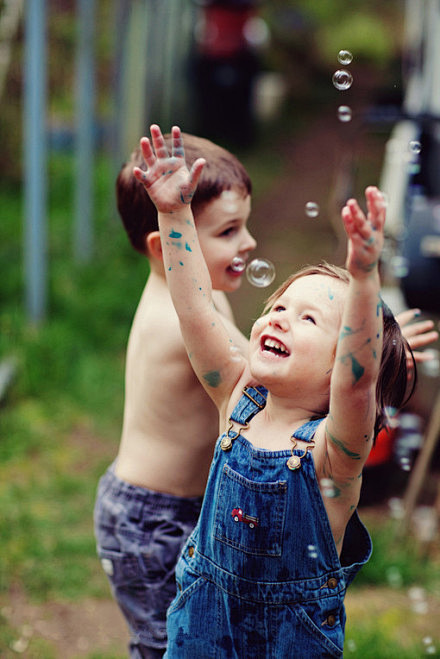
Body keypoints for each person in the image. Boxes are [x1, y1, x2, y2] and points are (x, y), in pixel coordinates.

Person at [133, 124, 417, 658]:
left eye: (309, 318)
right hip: (202, 630)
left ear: (340, 363)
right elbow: (194, 309)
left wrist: (362, 282)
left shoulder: (333, 455)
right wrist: (174, 215)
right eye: (279, 307)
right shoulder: (236, 396)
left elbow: (356, 386)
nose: (280, 320)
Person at [94, 131, 256, 657]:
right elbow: (258, 379)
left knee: (196, 638)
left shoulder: (194, 298)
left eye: (245, 226)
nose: (248, 243)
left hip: (172, 511)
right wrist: (359, 356)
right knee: (172, 644)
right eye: (229, 231)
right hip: (150, 519)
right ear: (169, 248)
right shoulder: (179, 320)